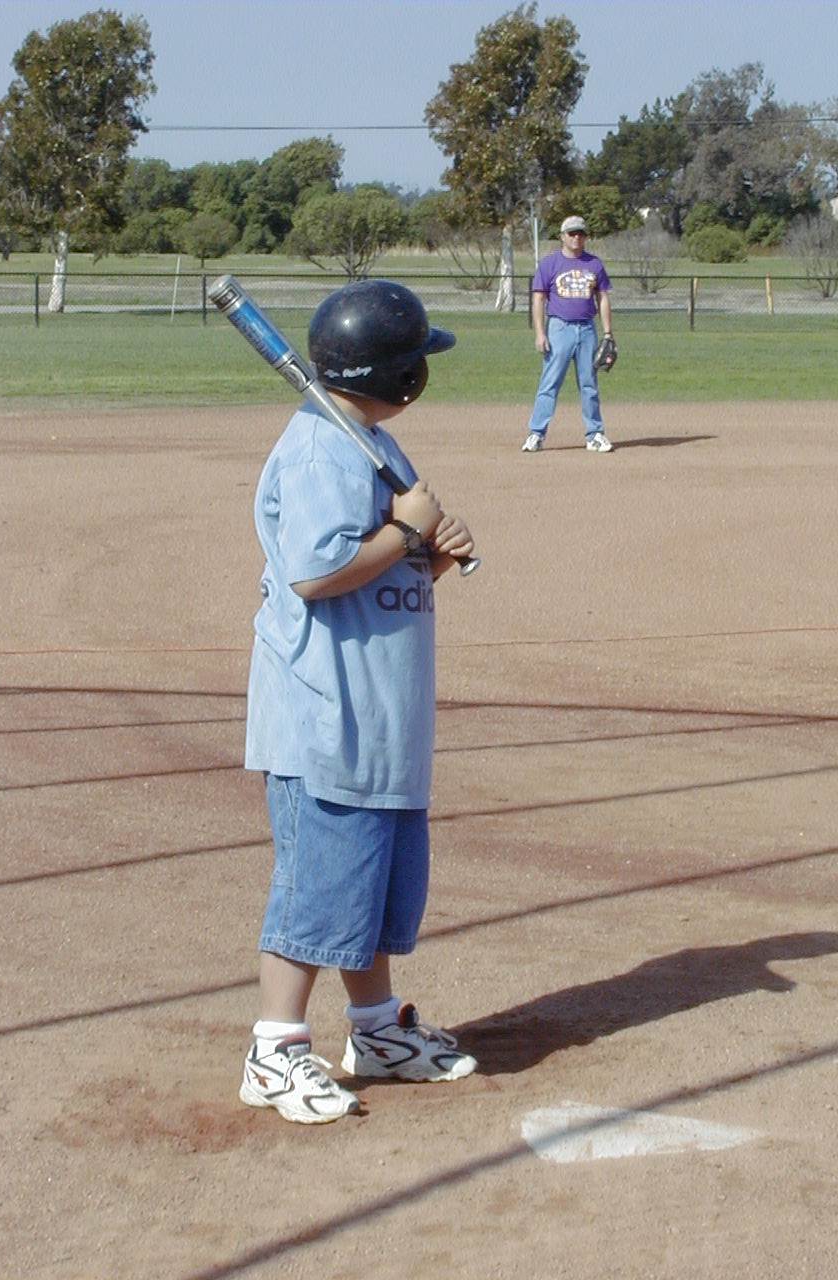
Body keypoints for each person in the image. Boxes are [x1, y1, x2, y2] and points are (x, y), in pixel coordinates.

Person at [239, 280, 478, 1125]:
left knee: (369, 889)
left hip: (377, 713)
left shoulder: (368, 441)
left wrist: (428, 553)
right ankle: (274, 1051)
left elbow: (379, 571)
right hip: (324, 717)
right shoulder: (318, 450)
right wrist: (407, 530)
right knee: (319, 888)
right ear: (400, 374)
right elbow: (316, 573)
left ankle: (375, 1030)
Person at [522, 214, 616, 454]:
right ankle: (536, 433)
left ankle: (594, 434)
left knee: (589, 384)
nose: (577, 237)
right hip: (558, 328)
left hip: (586, 329)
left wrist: (608, 333)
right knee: (549, 383)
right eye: (572, 233)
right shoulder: (549, 263)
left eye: (581, 233)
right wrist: (540, 333)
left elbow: (603, 298)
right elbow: (538, 299)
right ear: (562, 236)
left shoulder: (594, 264)